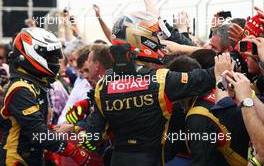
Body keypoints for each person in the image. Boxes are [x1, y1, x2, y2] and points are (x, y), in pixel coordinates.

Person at [66, 11, 232, 166]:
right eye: (154, 36)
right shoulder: (161, 79)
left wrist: (78, 131)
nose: (159, 41)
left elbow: (93, 139)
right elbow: (205, 77)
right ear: (140, 40)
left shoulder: (103, 84)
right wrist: (223, 54)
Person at [0, 27, 102, 166]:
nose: (56, 60)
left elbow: (39, 128)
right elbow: (37, 132)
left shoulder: (36, 84)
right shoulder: (20, 89)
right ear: (31, 54)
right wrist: (73, 151)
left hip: (33, 158)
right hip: (16, 160)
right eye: (51, 56)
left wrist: (70, 129)